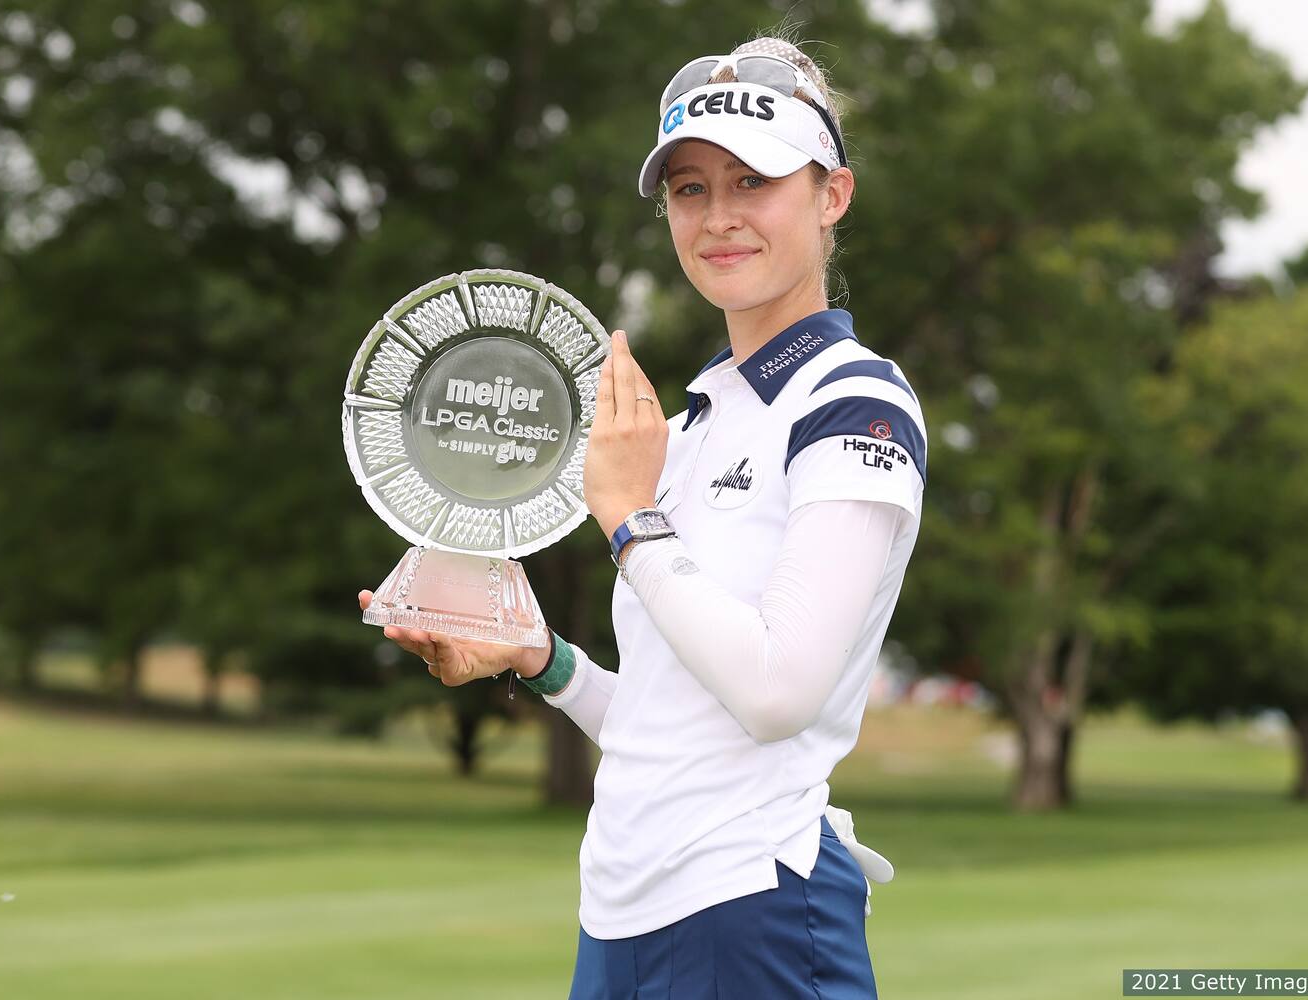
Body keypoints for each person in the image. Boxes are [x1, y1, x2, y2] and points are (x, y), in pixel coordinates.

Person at [359, 33, 925, 1000]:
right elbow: (672, 726)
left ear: (832, 196)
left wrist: (629, 519)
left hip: (754, 910)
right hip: (620, 907)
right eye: (691, 189)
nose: (719, 218)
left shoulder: (855, 401)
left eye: (754, 182)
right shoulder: (698, 414)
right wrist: (543, 660)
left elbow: (778, 693)